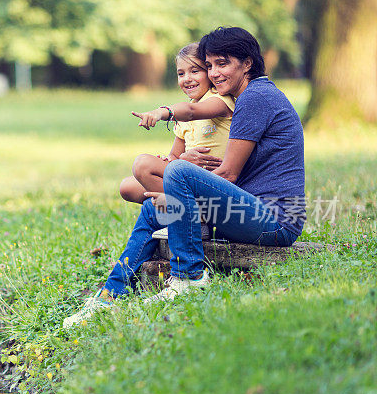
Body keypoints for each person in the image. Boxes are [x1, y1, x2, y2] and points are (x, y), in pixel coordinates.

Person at [64, 26, 305, 329]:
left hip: (276, 220)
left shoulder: (256, 98)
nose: (215, 73)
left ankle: (189, 277)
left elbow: (228, 173)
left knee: (179, 171)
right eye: (211, 65)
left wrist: (180, 193)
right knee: (154, 207)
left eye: (223, 63)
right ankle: (109, 295)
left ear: (247, 63)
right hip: (248, 210)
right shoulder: (249, 96)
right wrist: (179, 199)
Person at [119, 43, 235, 207]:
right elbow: (175, 155)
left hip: (214, 183)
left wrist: (161, 112)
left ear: (209, 72)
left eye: (195, 71)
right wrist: (175, 160)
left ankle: (187, 211)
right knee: (127, 186)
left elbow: (191, 111)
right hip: (189, 178)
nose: (187, 78)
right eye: (181, 73)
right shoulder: (183, 117)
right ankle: (185, 204)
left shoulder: (219, 100)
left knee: (142, 164)